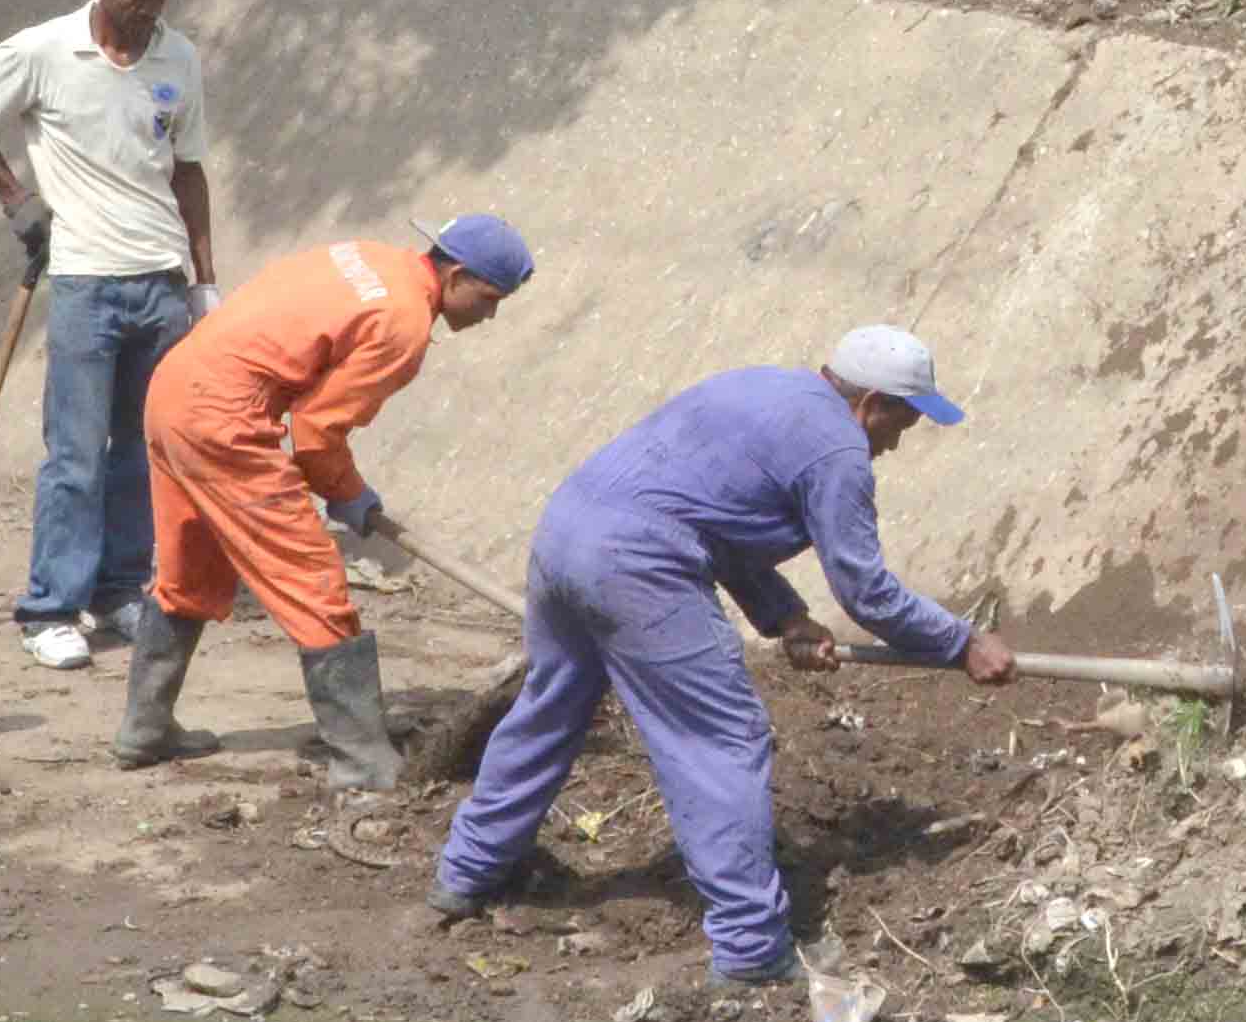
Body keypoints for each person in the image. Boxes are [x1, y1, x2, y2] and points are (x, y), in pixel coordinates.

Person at [426, 328, 1017, 984]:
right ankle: (751, 948)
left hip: (568, 532)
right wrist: (960, 641)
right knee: (721, 740)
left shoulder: (759, 385)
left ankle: (467, 871)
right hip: (637, 565)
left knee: (552, 706)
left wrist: (784, 616)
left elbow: (714, 517)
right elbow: (866, 591)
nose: (896, 441)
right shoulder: (838, 450)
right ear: (871, 403)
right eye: (901, 421)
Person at [118, 216, 534, 792]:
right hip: (224, 418)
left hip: (177, 391)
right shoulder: (403, 322)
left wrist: (341, 486)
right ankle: (363, 759)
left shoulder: (370, 258)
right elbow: (315, 434)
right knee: (314, 584)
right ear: (458, 274)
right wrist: (348, 492)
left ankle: (145, 727)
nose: (489, 315)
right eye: (489, 299)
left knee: (189, 570)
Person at [0, 0, 217, 671]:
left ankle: (121, 587)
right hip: (84, 281)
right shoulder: (43, 51)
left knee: (141, 448)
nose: (151, 6)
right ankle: (49, 607)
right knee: (75, 455)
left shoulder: (179, 58)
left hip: (159, 281)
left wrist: (204, 281)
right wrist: (13, 198)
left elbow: (188, 169)